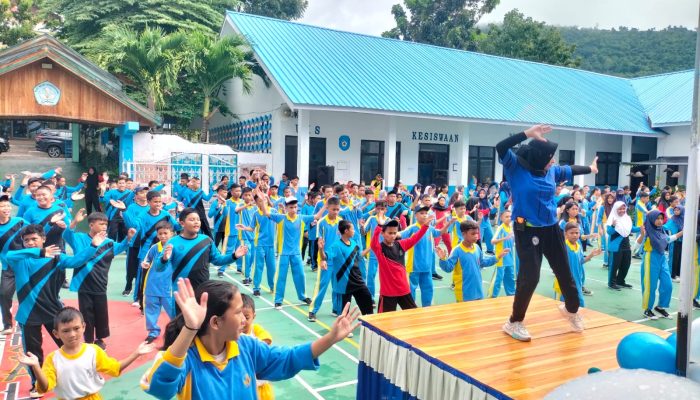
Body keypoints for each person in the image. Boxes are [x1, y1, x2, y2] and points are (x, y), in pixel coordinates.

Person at [140, 278, 359, 399]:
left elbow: (287, 359)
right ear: (216, 323)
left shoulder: (245, 346)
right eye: (238, 313)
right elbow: (160, 387)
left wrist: (331, 338)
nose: (245, 320)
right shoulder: (187, 359)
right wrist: (190, 329)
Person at [496, 124, 598, 342]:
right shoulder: (515, 167)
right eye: (550, 157)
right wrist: (527, 134)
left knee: (565, 271)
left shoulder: (551, 171)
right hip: (527, 229)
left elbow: (570, 169)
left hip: (551, 229)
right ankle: (514, 321)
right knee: (530, 277)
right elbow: (501, 147)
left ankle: (572, 310)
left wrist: (591, 169)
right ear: (539, 157)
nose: (553, 160)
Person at [7, 224, 101, 397]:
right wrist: (40, 252)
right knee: (33, 353)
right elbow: (9, 254)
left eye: (34, 239)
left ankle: (84, 374)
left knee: (71, 345)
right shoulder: (19, 259)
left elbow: (77, 261)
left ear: (43, 239)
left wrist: (93, 246)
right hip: (28, 315)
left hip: (54, 312)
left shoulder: (56, 257)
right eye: (26, 240)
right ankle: (37, 384)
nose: (30, 243)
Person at [19, 307, 153, 399]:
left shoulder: (93, 351)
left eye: (76, 328)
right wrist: (36, 366)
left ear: (83, 327)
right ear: (56, 334)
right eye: (66, 331)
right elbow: (44, 387)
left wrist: (136, 353)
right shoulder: (53, 359)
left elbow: (115, 368)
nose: (72, 334)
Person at [63, 210, 134, 348]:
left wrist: (128, 238)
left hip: (100, 283)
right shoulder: (79, 238)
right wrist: (75, 221)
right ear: (91, 225)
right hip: (83, 283)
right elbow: (67, 234)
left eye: (106, 224)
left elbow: (119, 248)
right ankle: (88, 339)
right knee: (86, 313)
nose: (104, 226)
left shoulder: (108, 242)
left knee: (101, 313)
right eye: (101, 224)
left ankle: (100, 338)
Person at [258, 193, 315, 309]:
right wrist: (263, 201)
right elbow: (266, 213)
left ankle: (303, 296)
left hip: (297, 253)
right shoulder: (281, 218)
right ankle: (278, 300)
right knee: (281, 277)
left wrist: (325, 203)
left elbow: (317, 216)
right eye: (291, 207)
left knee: (300, 275)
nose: (293, 209)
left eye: (295, 207)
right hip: (283, 253)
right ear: (286, 208)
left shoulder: (301, 217)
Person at [168, 208, 247, 290]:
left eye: (198, 220)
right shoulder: (173, 242)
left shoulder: (206, 240)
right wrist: (164, 259)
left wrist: (234, 256)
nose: (196, 222)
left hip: (203, 289)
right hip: (181, 291)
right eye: (192, 220)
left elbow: (218, 260)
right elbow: (159, 267)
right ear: (182, 223)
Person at [436, 220, 509, 302]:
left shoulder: (477, 248)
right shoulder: (457, 250)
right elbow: (448, 268)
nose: (476, 236)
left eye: (477, 233)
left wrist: (497, 257)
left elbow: (482, 262)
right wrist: (443, 259)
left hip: (478, 289)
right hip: (464, 292)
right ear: (463, 234)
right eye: (473, 234)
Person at [315, 220, 373, 323]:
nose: (354, 231)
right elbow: (325, 257)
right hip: (344, 283)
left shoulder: (354, 243)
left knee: (367, 299)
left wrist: (370, 248)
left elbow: (358, 256)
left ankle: (369, 323)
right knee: (345, 309)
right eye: (352, 229)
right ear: (346, 231)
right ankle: (344, 327)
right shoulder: (336, 246)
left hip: (357, 280)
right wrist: (320, 249)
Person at [399, 206, 452, 307]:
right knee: (411, 289)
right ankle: (410, 308)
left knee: (428, 288)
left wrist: (448, 224)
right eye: (421, 213)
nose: (424, 215)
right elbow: (400, 235)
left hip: (427, 266)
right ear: (416, 215)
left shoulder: (430, 228)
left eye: (425, 213)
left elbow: (440, 232)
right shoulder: (412, 228)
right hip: (414, 265)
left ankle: (426, 307)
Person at [638, 210, 681, 320]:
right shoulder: (646, 230)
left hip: (662, 258)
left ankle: (660, 307)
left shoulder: (661, 230)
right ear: (652, 219)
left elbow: (667, 240)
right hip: (650, 259)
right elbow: (636, 246)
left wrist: (683, 232)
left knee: (668, 285)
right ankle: (648, 309)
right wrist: (642, 235)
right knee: (650, 286)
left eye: (661, 219)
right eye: (657, 218)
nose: (660, 221)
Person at [142, 221, 177, 344]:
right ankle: (153, 332)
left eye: (165, 233)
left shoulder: (175, 247)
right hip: (152, 285)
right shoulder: (154, 248)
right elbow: (146, 259)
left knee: (173, 310)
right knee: (151, 310)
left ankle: (178, 330)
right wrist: (145, 264)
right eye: (160, 233)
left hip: (168, 286)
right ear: (157, 235)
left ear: (171, 234)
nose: (163, 236)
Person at [553, 223, 602, 307]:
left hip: (577, 281)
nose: (575, 235)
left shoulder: (578, 246)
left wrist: (591, 255)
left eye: (577, 233)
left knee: (580, 303)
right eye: (571, 233)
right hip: (564, 282)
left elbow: (581, 261)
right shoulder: (563, 247)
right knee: (562, 306)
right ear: (565, 234)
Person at [0, 194, 26, 334]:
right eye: (3, 206)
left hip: (24, 265)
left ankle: (24, 322)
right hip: (7, 268)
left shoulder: (20, 221)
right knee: (4, 295)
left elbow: (35, 231)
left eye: (8, 205)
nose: (7, 208)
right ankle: (7, 324)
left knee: (25, 294)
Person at [240, 294, 274, 400]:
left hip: (261, 388)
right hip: (244, 389)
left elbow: (266, 341)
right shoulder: (231, 334)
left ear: (253, 316)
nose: (243, 321)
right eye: (238, 316)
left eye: (246, 317)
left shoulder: (256, 330)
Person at [606, 201, 640, 290]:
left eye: (623, 208)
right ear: (615, 209)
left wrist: (641, 228)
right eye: (620, 209)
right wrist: (613, 226)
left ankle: (620, 281)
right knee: (614, 265)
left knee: (626, 264)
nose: (622, 210)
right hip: (615, 245)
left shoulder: (627, 218)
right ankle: (611, 283)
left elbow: (631, 229)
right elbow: (609, 232)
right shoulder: (612, 218)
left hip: (626, 244)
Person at [488, 210, 516, 298]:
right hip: (501, 259)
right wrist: (504, 238)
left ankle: (511, 295)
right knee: (498, 279)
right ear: (501, 218)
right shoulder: (500, 228)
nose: (509, 218)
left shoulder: (512, 228)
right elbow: (492, 241)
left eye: (510, 216)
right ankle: (492, 296)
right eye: (506, 216)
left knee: (510, 279)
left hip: (510, 259)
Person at [665, 205, 684, 282]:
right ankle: (672, 275)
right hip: (674, 242)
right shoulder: (672, 219)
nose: (676, 211)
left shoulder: (684, 219)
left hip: (682, 242)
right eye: (675, 210)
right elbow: (665, 227)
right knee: (673, 258)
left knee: (680, 258)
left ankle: (678, 274)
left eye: (678, 210)